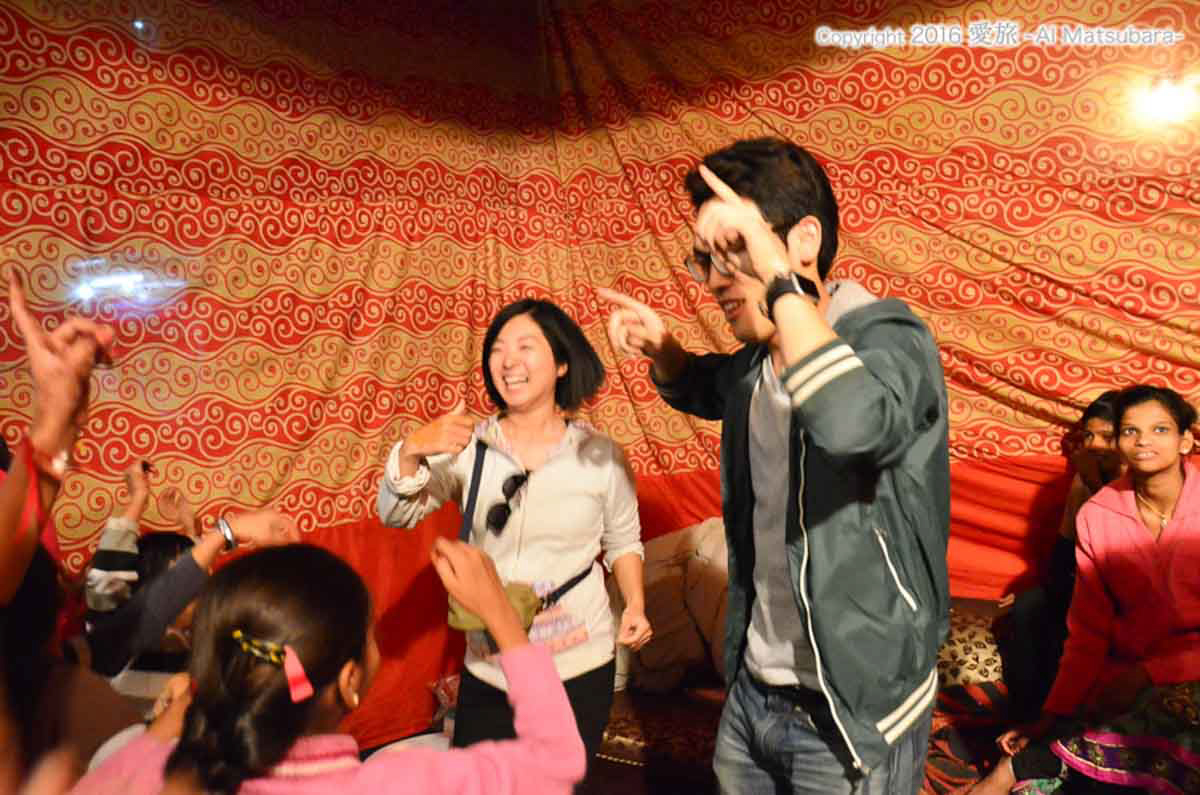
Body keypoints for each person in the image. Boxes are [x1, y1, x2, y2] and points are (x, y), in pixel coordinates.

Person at [600, 137, 950, 793]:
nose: (713, 280)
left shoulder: (890, 338)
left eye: (733, 249)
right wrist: (664, 348)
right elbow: (708, 385)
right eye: (704, 259)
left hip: (854, 709)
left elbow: (852, 423)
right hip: (753, 692)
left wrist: (781, 281)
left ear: (804, 240)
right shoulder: (755, 365)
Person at [69, 540, 587, 795]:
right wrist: (502, 617)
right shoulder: (398, 783)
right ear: (350, 681)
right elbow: (558, 761)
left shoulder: (146, 769)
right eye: (371, 635)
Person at [377, 298, 650, 774]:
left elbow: (624, 540)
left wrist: (636, 604)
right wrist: (413, 448)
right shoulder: (468, 446)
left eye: (526, 347)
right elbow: (396, 513)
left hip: (578, 664)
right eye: (498, 349)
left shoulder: (600, 455)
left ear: (561, 363)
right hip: (490, 667)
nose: (508, 361)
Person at [971, 384, 1200, 794]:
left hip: (1188, 670)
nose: (1143, 440)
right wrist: (1054, 712)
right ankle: (1043, 759)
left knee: (1167, 719)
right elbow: (1088, 632)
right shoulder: (1098, 514)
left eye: (1160, 429)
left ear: (1185, 440)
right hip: (1123, 676)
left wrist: (1151, 674)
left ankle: (1025, 766)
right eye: (1130, 431)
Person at [994, 390, 1123, 719]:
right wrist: (1045, 588)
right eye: (1089, 436)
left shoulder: (1147, 480)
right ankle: (1029, 719)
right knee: (1029, 607)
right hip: (1085, 585)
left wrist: (1095, 484)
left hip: (1130, 595)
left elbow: (1124, 546)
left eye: (1106, 436)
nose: (1094, 445)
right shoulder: (1083, 480)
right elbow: (1065, 550)